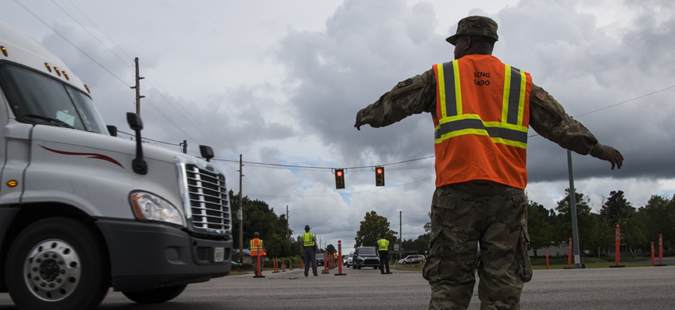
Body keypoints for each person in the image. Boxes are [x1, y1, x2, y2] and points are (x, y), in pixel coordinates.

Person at [354, 16, 624, 310]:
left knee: (450, 283)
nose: (454, 48)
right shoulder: (520, 82)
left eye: (456, 42)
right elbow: (559, 123)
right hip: (506, 196)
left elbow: (397, 101)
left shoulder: (442, 76)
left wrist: (369, 114)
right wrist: (596, 147)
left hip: (456, 193)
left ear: (467, 41)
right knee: (503, 284)